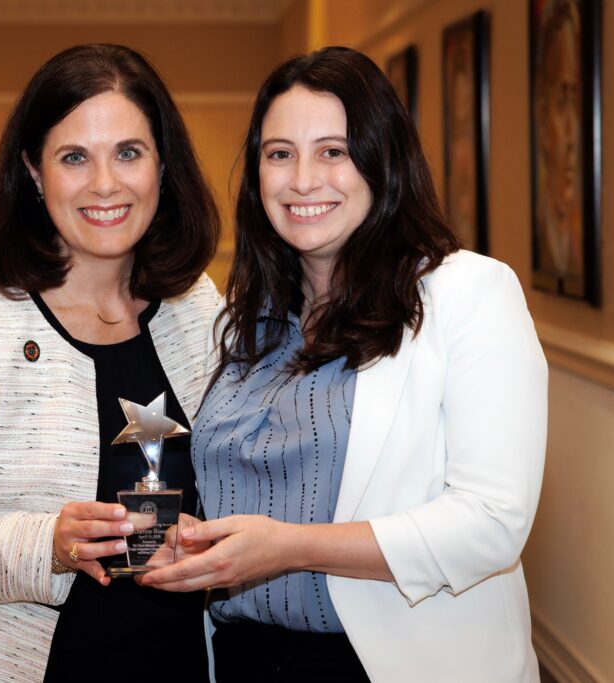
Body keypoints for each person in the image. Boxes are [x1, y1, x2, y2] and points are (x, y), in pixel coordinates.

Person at [142, 47, 548, 683]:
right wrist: (197, 541)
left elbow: (492, 525)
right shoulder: (250, 319)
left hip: (392, 663)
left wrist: (289, 547)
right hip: (243, 657)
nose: (304, 179)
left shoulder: (467, 292)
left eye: (333, 150)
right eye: (280, 153)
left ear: (382, 163)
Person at [0, 44, 221, 682]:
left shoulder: (197, 309)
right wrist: (46, 546)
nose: (105, 183)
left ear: (162, 166)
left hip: (174, 660)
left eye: (128, 153)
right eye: (74, 157)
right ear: (34, 173)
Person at [534, 0, 584, 295]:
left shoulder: (575, 249)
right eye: (562, 100)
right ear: (541, 120)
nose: (572, 132)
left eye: (577, 102)